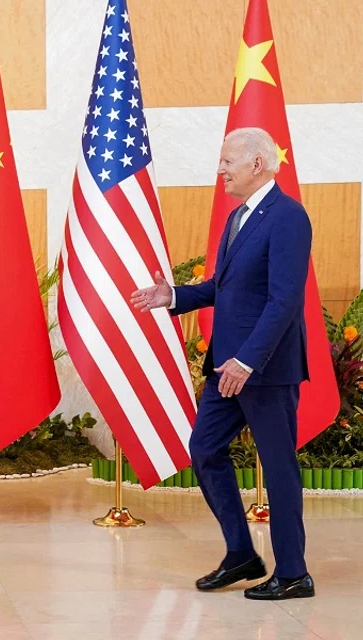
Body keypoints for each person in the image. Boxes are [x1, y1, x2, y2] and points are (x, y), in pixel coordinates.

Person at [131, 127, 314, 601]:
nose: (220, 170)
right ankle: (242, 554)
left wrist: (249, 361)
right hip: (226, 368)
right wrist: (171, 295)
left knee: (277, 468)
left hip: (265, 369)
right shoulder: (237, 218)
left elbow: (284, 300)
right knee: (206, 450)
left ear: (257, 164)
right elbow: (222, 286)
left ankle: (293, 572)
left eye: (227, 161)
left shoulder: (288, 217)